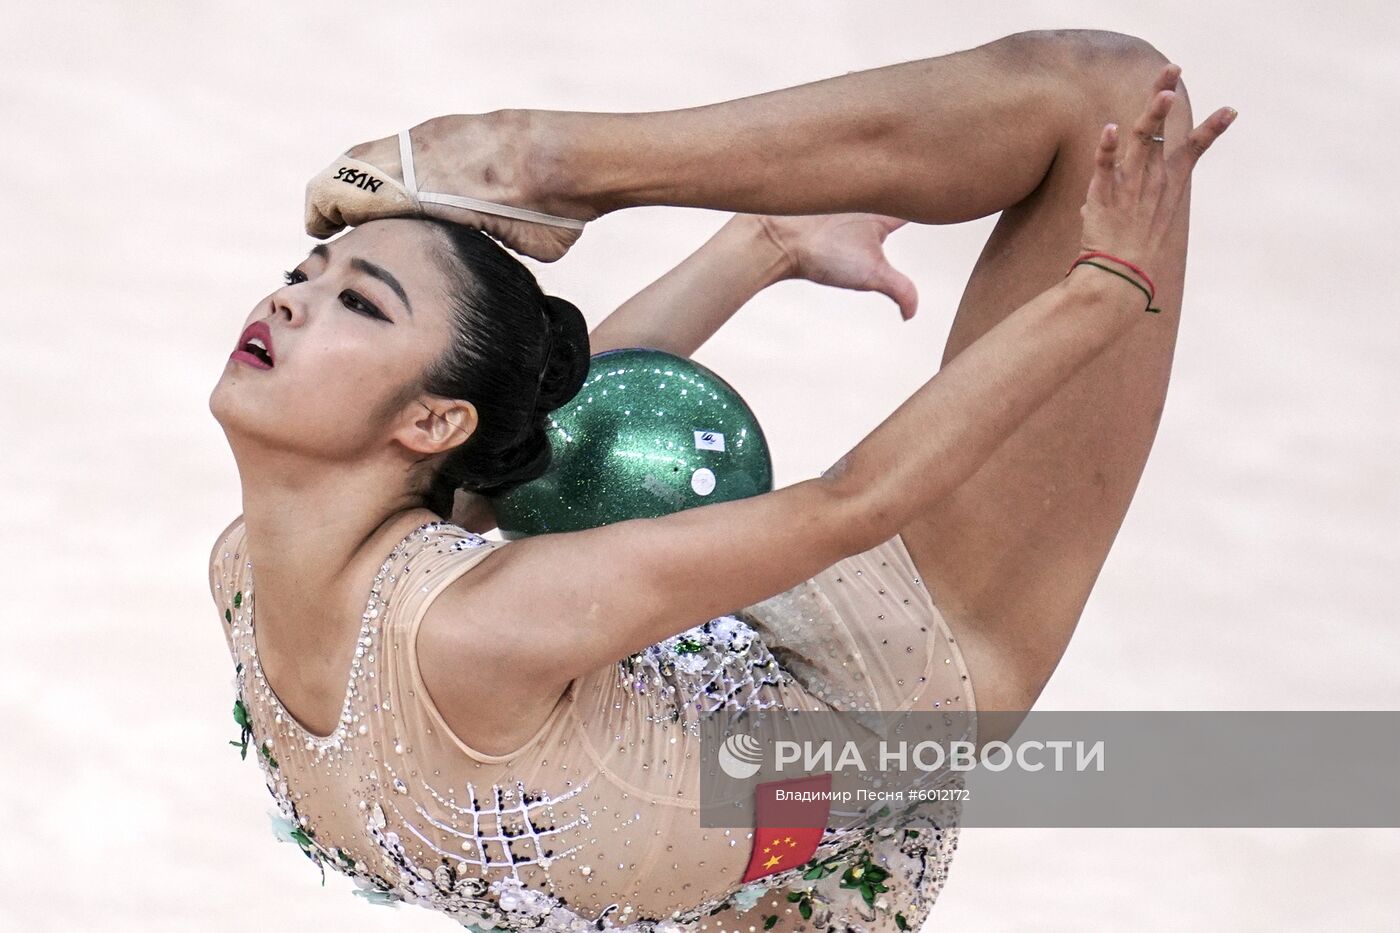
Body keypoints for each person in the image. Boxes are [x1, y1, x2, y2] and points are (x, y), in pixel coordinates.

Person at [210, 29, 1234, 933]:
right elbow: (515, 460)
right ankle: (551, 163)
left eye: (356, 301)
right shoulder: (270, 575)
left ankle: (556, 159)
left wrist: (1098, 298)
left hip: (871, 679)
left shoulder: (455, 622)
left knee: (1111, 99)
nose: (289, 300)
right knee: (1105, 95)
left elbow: (847, 511)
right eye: (309, 279)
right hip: (780, 793)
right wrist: (767, 243)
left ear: (430, 418)